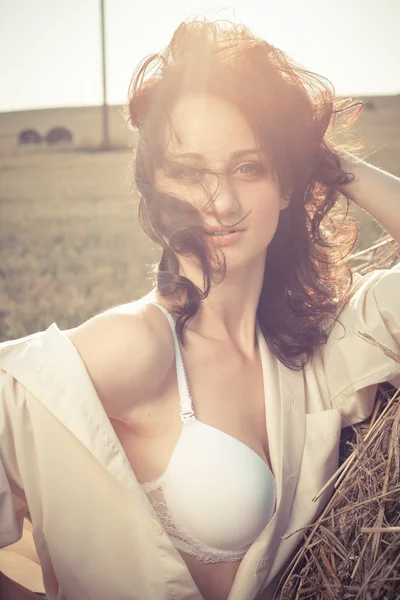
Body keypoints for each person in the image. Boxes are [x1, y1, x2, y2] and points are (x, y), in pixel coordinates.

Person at [1, 16, 399, 600]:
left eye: (249, 166)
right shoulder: (137, 346)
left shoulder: (313, 352)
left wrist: (321, 159)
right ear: (154, 185)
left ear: (286, 184)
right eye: (188, 172)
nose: (222, 202)